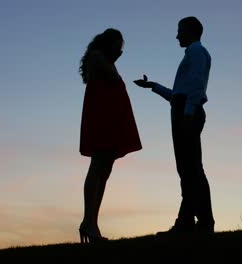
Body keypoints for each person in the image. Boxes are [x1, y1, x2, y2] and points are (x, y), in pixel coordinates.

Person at [134, 16, 214, 234]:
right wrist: (154, 86)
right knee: (188, 169)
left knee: (192, 169)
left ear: (191, 31)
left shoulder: (197, 52)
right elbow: (178, 95)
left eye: (180, 30)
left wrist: (188, 113)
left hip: (187, 114)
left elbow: (196, 85)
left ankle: (202, 222)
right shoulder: (192, 54)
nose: (177, 35)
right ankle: (189, 221)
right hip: (183, 111)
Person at [78, 28, 142, 243]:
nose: (120, 49)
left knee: (104, 170)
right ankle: (89, 222)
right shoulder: (98, 57)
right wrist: (115, 58)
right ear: (109, 42)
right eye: (118, 45)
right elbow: (113, 78)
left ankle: (92, 222)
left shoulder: (106, 59)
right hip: (102, 118)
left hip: (111, 119)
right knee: (98, 167)